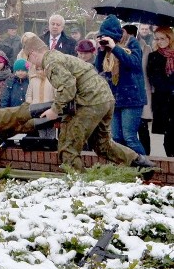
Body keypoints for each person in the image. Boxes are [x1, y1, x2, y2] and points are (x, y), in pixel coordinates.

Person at [22, 32, 154, 172]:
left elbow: (67, 87)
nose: (31, 63)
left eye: (29, 58)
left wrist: (55, 110)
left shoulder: (51, 63)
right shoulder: (59, 57)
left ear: (33, 53)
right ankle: (140, 162)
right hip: (104, 99)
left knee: (68, 148)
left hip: (89, 101)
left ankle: (80, 185)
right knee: (102, 145)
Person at [95, 15, 147, 156]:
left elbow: (134, 63)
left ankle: (146, 167)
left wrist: (114, 48)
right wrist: (101, 50)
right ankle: (125, 167)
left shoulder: (131, 43)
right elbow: (98, 69)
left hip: (132, 98)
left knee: (129, 137)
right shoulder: (105, 50)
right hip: (114, 98)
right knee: (116, 138)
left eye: (108, 36)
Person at [124, 24, 153, 155]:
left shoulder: (146, 48)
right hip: (125, 93)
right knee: (126, 131)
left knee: (142, 128)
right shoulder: (119, 48)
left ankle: (145, 158)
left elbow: (149, 71)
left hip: (141, 90)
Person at [147, 26, 174, 156]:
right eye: (157, 39)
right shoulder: (154, 56)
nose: (159, 41)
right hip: (163, 100)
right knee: (168, 135)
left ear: (170, 38)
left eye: (162, 38)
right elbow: (154, 78)